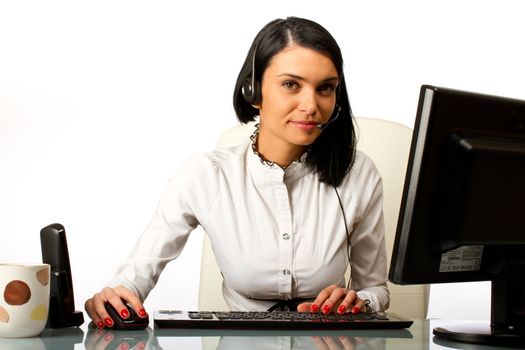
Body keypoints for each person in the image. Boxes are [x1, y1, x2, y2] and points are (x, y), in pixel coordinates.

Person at [85, 16, 389, 329]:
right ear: (253, 90)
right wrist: (118, 296)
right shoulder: (206, 175)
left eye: (326, 88)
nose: (311, 105)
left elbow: (376, 289)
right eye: (291, 85)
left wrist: (360, 300)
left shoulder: (359, 173)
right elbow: (137, 274)